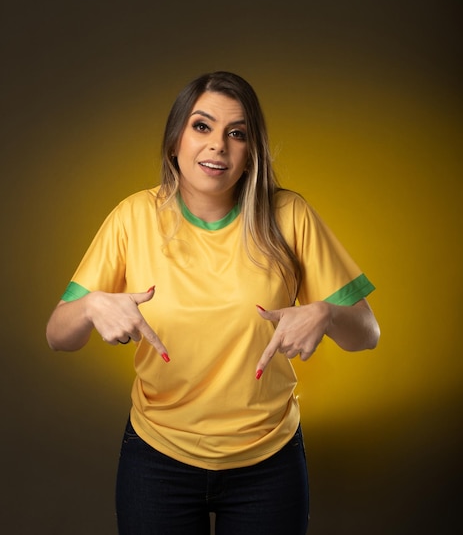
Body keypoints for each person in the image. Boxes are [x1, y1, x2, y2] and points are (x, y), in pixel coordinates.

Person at [46, 71, 380, 535]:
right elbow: (57, 335)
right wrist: (89, 307)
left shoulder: (290, 215)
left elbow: (368, 333)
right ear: (174, 142)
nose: (218, 145)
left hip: (268, 462)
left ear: (251, 152)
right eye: (202, 127)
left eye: (236, 133)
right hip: (157, 458)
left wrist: (325, 313)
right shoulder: (133, 217)